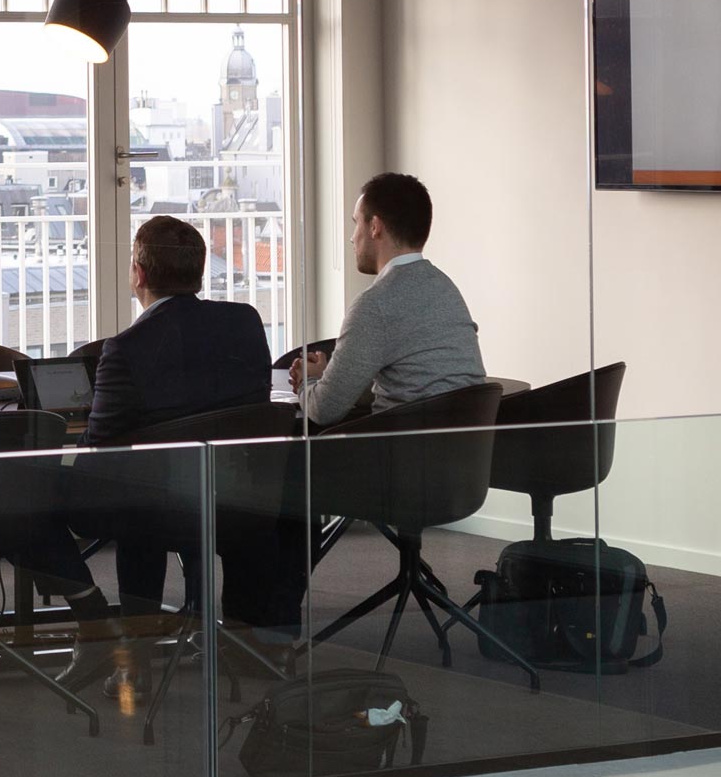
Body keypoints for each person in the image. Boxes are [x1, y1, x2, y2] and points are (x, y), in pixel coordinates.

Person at [71, 216, 282, 665]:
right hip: (240, 499)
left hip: (161, 512)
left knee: (134, 498)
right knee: (149, 486)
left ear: (139, 274)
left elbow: (98, 452)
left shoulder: (126, 348)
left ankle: (134, 653)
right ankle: (239, 639)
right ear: (198, 273)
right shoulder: (244, 322)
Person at [297, 172, 486, 425]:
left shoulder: (376, 305)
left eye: (356, 223)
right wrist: (332, 376)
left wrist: (306, 380)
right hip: (463, 457)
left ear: (374, 227)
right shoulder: (446, 290)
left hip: (401, 457)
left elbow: (323, 410)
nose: (352, 237)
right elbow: (414, 379)